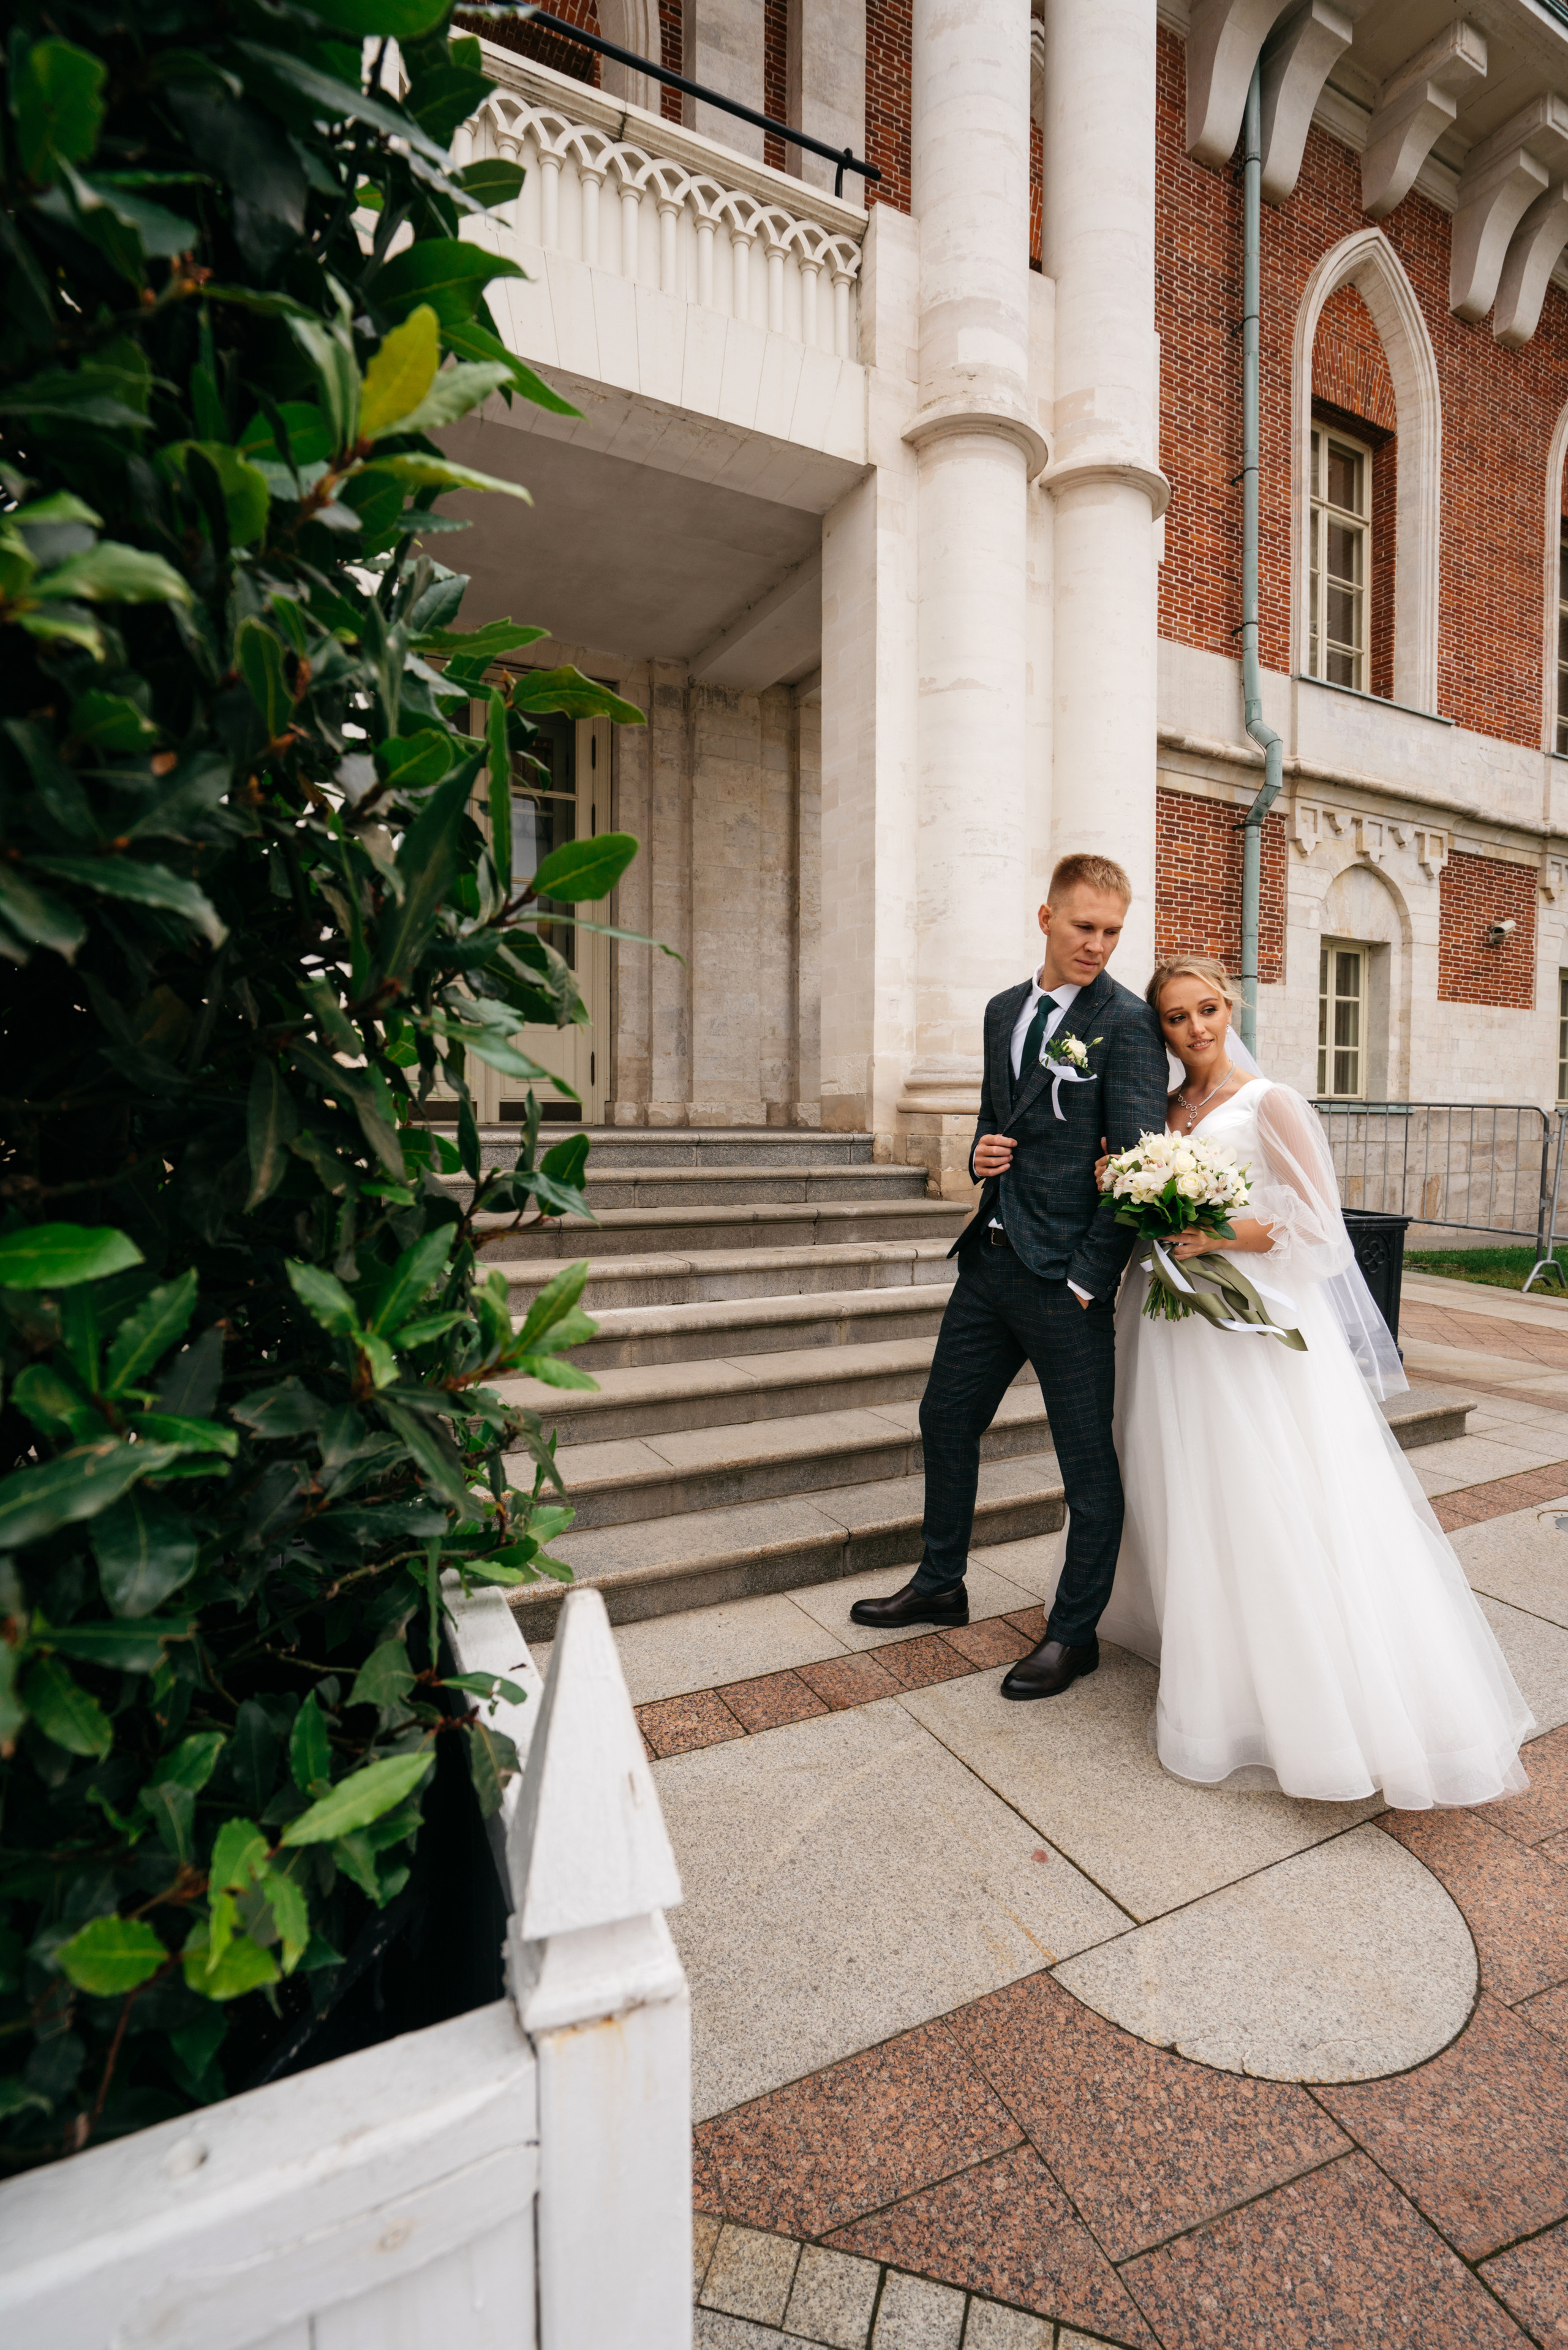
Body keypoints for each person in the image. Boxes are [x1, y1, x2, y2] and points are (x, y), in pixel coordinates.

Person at [1097, 955, 1532, 1806]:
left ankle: (1298, 1687)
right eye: (1178, 1018)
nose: (1197, 1030)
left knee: (1266, 1489)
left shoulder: (1272, 1101)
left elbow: (1318, 1225)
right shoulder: (1166, 1110)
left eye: (1209, 1010)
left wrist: (1215, 1232)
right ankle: (1199, 1643)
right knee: (1182, 1480)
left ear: (1233, 1006)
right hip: (1166, 1324)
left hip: (1247, 1327)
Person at [849, 853, 1172, 1700]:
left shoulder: (1127, 1022)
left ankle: (1075, 1635)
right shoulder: (1002, 1010)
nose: (1099, 944)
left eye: (1112, 930)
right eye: (1084, 926)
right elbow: (998, 1124)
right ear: (1046, 917)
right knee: (944, 1416)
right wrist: (977, 1154)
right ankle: (941, 1580)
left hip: (1063, 1279)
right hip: (988, 1261)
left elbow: (1140, 1170)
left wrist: (1084, 1280)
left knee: (1086, 1470)